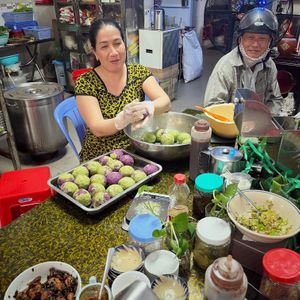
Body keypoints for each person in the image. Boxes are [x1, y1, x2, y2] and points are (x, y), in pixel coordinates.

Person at [75, 19, 170, 162]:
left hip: (136, 149)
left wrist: (149, 106)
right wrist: (122, 120)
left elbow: (166, 102)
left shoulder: (138, 72)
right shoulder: (86, 82)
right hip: (102, 156)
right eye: (104, 46)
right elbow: (97, 128)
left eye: (117, 43)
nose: (113, 52)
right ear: (95, 52)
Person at [204, 8, 283, 115]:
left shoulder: (270, 65)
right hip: (229, 126)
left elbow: (275, 99)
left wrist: (265, 120)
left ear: (270, 42)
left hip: (259, 125)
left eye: (262, 39)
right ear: (240, 39)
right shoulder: (226, 66)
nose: (255, 44)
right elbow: (212, 106)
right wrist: (239, 121)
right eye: (250, 37)